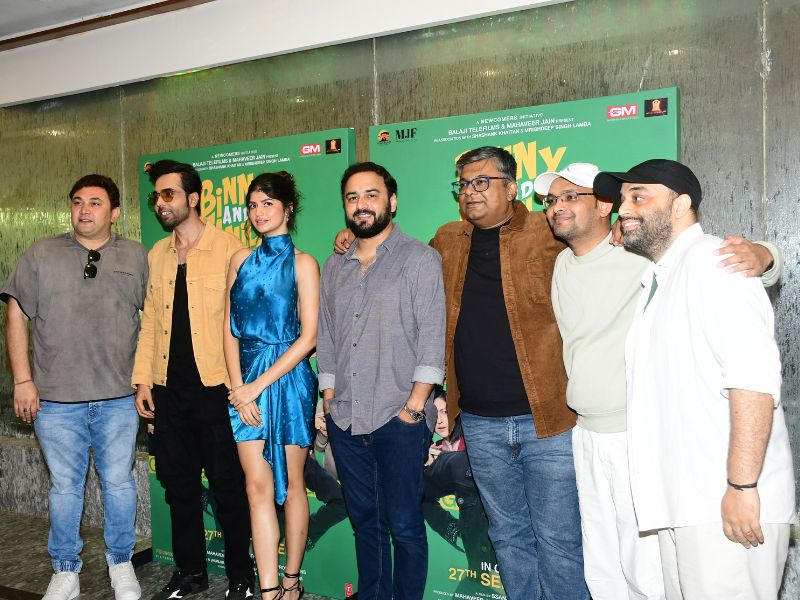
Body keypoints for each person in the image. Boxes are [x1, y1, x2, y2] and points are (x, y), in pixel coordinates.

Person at [534, 162, 782, 599]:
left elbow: (753, 381)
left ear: (681, 204)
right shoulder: (657, 273)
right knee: (622, 574)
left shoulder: (713, 262)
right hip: (659, 474)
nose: (626, 209)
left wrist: (742, 485)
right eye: (624, 199)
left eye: (638, 197)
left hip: (711, 487)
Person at [429, 146, 586, 600]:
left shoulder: (546, 229)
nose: (470, 192)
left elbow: (612, 244)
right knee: (508, 536)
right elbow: (402, 267)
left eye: (482, 182)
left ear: (512, 188)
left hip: (549, 419)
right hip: (479, 423)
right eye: (463, 184)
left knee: (559, 541)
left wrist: (762, 256)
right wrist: (353, 239)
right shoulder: (447, 239)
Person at [1, 174, 147, 600]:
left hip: (119, 398)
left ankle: (121, 563)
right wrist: (22, 380)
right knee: (64, 488)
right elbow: (16, 314)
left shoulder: (136, 255)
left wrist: (146, 381)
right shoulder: (41, 253)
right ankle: (65, 570)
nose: (85, 210)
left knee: (118, 483)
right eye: (78, 201)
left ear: (114, 213)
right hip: (55, 401)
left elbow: (156, 320)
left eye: (96, 203)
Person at [317, 162, 446, 600]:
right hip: (346, 419)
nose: (361, 205)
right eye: (352, 197)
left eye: (371, 195)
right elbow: (327, 336)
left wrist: (413, 408)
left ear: (391, 201)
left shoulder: (420, 259)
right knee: (365, 524)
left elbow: (432, 338)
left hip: (400, 417)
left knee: (405, 526)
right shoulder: (335, 266)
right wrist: (329, 397)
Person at [132, 159, 255, 600]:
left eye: (169, 194)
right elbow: (150, 322)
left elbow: (245, 323)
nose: (160, 203)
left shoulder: (229, 249)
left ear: (194, 198)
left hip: (216, 389)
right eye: (157, 196)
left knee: (227, 486)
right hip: (168, 391)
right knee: (178, 487)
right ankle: (190, 573)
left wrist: (241, 387)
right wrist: (143, 381)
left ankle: (241, 575)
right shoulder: (157, 254)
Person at [223, 171, 319, 600]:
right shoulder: (239, 260)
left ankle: (292, 581)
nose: (259, 212)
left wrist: (256, 385)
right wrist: (237, 388)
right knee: (255, 487)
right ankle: (268, 591)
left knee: (293, 487)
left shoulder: (304, 263)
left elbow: (309, 337)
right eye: (252, 205)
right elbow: (228, 329)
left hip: (288, 379)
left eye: (267, 203)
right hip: (244, 382)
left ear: (287, 208)